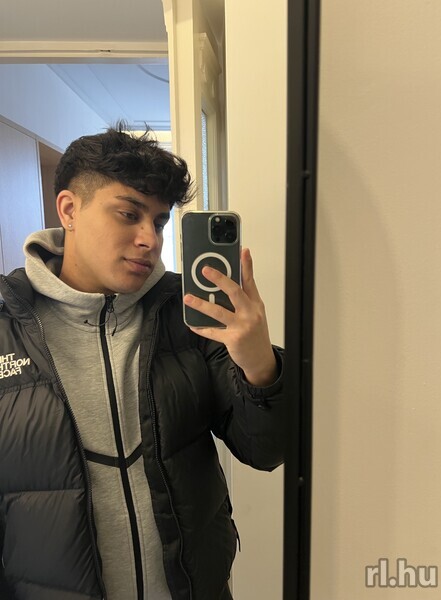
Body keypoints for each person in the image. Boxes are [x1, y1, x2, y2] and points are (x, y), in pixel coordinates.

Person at [0, 123, 284, 600]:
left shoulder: (188, 316)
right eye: (129, 214)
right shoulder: (8, 331)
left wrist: (260, 367)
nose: (149, 239)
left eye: (159, 222)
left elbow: (267, 450)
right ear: (69, 210)